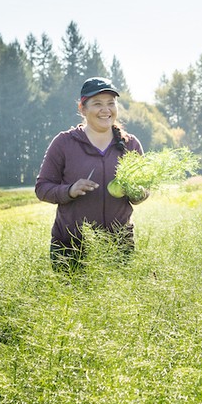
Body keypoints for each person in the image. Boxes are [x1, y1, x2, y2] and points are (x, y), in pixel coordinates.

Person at [35, 76, 148, 264]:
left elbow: (143, 191)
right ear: (82, 108)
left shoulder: (131, 144)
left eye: (111, 103)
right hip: (71, 248)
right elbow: (42, 189)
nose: (106, 110)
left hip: (119, 246)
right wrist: (69, 190)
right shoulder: (64, 143)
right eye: (97, 104)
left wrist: (135, 191)